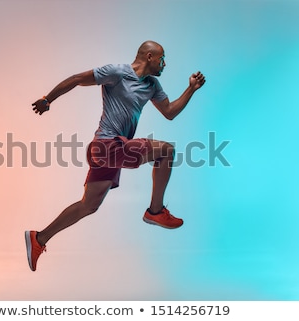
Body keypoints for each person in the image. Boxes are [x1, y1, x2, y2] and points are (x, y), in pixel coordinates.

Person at [26, 40, 205, 271]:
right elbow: (77, 79)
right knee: (167, 151)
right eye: (162, 58)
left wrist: (190, 89)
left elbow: (169, 112)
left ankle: (38, 238)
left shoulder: (152, 85)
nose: (164, 64)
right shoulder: (117, 72)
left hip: (115, 151)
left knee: (88, 205)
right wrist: (47, 99)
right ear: (149, 57)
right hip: (106, 146)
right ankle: (155, 211)